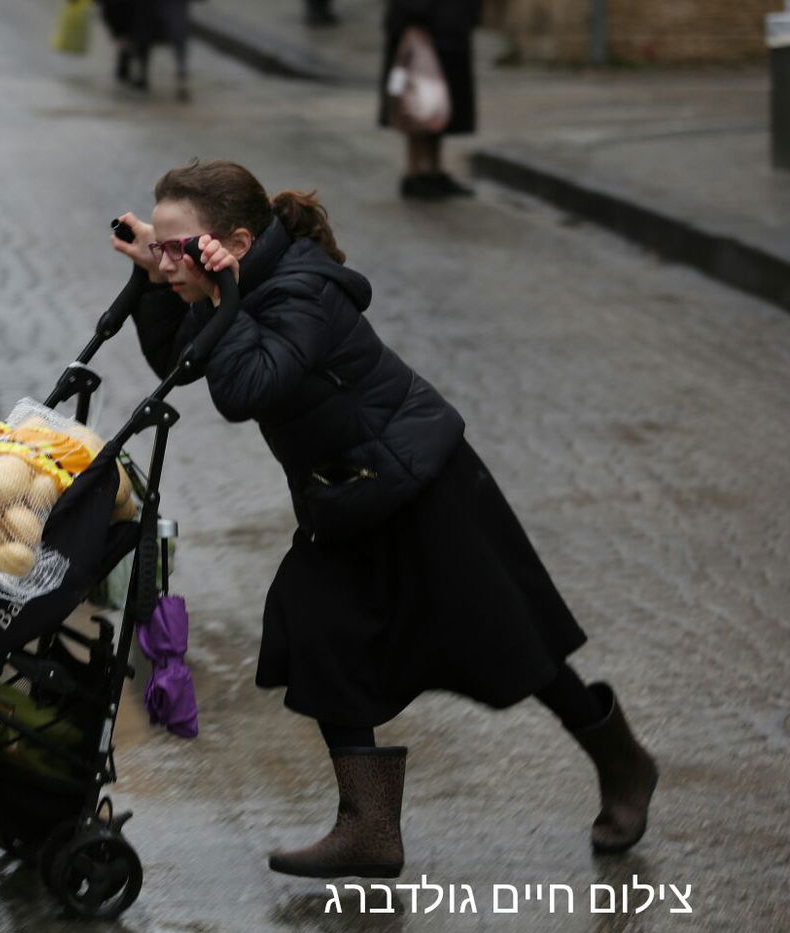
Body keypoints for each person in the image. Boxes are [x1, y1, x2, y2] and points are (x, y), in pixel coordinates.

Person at [109, 159, 658, 879]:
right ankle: (369, 829)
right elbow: (185, 362)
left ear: (235, 243)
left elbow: (244, 387)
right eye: (164, 244)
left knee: (516, 648)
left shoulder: (303, 289)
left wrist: (218, 292)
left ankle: (623, 764)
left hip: (423, 483)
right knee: (318, 632)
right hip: (346, 495)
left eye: (178, 247)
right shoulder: (237, 285)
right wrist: (160, 280)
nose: (167, 257)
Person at [380, 0, 479, 199]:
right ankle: (415, 172)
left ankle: (434, 171)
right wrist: (416, 17)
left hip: (447, 33)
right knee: (417, 104)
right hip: (423, 32)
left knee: (439, 109)